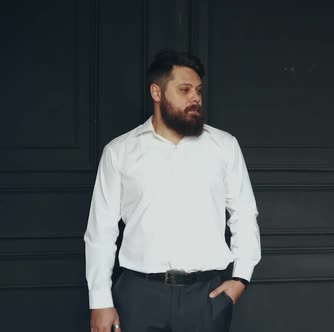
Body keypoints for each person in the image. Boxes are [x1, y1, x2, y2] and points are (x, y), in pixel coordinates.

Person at [84, 50, 261, 332]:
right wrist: (100, 301)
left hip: (206, 298)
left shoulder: (224, 146)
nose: (196, 98)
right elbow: (101, 231)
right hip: (139, 297)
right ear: (157, 91)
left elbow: (244, 214)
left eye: (199, 91)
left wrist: (240, 279)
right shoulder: (120, 152)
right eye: (185, 90)